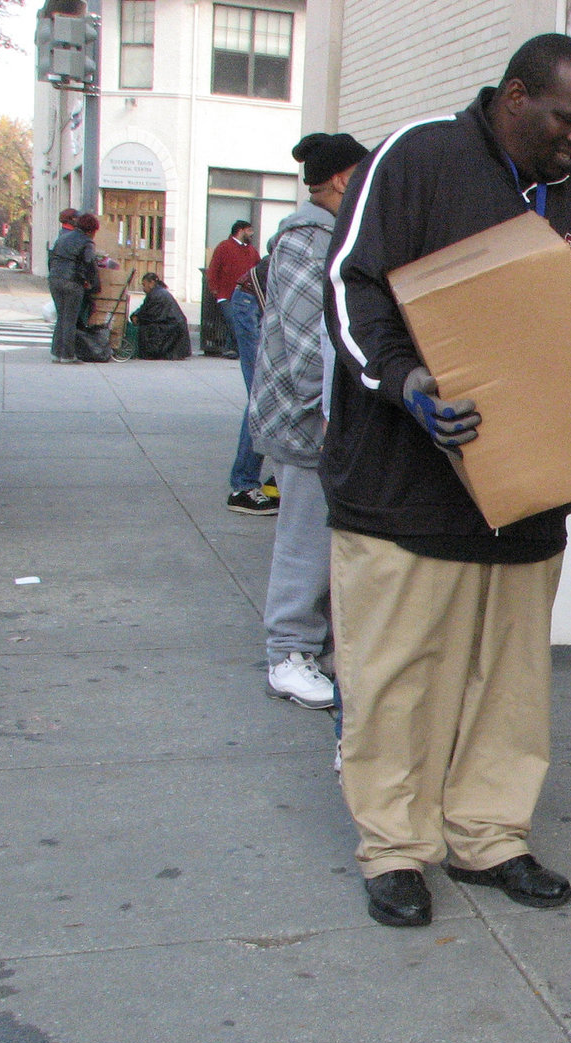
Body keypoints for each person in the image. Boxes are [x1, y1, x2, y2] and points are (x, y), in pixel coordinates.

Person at [322, 33, 571, 928]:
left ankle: (491, 834)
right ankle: (397, 848)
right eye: (568, 118)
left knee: (510, 680)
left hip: (527, 493)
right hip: (403, 491)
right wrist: (405, 383)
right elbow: (351, 286)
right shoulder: (419, 158)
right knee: (396, 677)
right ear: (517, 95)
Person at [248, 132, 370, 710]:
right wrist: (327, 419)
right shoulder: (306, 241)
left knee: (320, 538)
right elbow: (306, 345)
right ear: (343, 180)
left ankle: (306, 647)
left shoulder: (332, 237)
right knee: (303, 540)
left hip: (319, 420)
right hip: (306, 424)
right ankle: (287, 655)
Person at [209, 220, 274, 514]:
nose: (252, 232)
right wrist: (220, 296)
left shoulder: (253, 251)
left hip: (254, 301)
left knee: (267, 396)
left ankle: (269, 478)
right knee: (259, 398)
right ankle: (243, 485)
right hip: (249, 304)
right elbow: (216, 271)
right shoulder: (226, 247)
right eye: (248, 228)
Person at [47, 208, 97, 364]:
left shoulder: (63, 238)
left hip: (55, 279)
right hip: (72, 282)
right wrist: (90, 282)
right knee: (70, 318)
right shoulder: (87, 242)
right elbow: (89, 263)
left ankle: (56, 352)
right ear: (91, 230)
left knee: (61, 317)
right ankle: (68, 355)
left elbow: (52, 258)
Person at [129, 273, 192, 360]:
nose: (143, 288)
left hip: (172, 326)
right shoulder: (157, 292)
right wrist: (136, 315)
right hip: (173, 324)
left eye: (144, 285)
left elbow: (150, 314)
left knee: (146, 328)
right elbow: (145, 309)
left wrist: (137, 317)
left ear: (151, 283)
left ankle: (151, 353)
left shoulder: (156, 294)